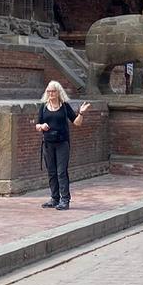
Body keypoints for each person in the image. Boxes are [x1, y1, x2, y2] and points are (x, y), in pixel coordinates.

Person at [35, 81, 90, 210]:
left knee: (61, 172)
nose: (50, 93)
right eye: (48, 91)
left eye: (53, 91)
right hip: (48, 144)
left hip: (62, 143)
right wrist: (41, 126)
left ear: (59, 92)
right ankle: (55, 198)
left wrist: (81, 113)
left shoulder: (64, 107)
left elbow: (76, 123)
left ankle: (65, 199)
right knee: (52, 172)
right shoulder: (43, 107)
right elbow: (37, 125)